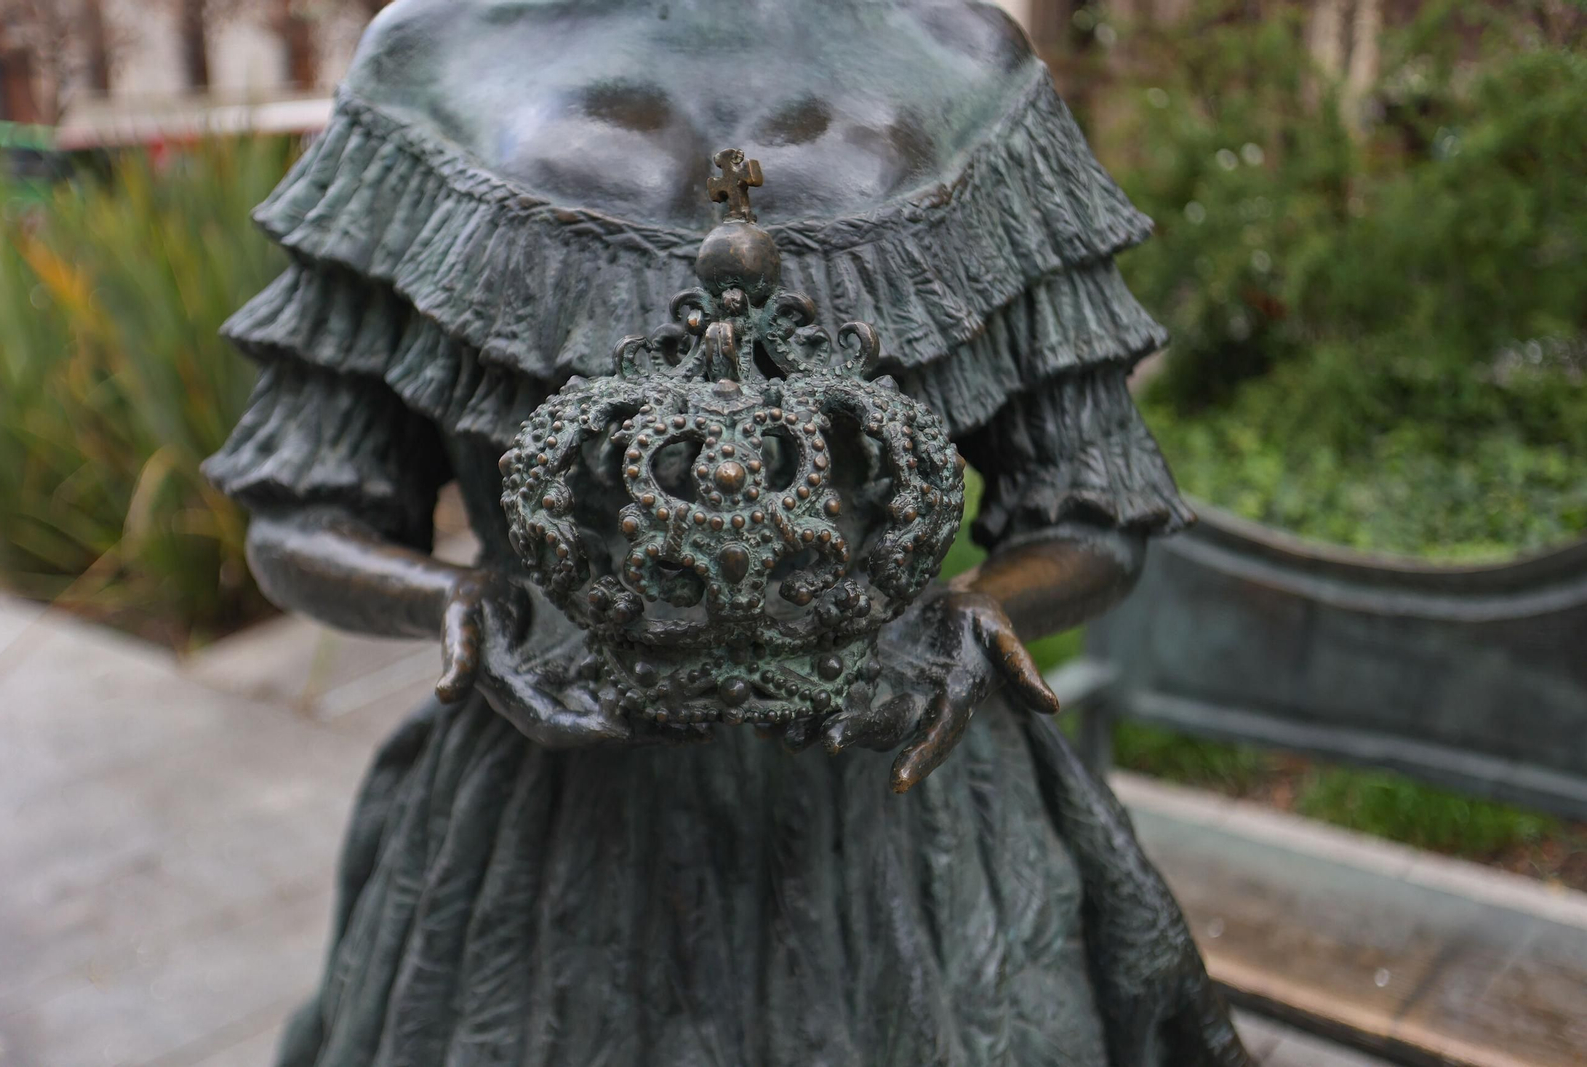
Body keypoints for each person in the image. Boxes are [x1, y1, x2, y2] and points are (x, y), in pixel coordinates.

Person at [205, 1, 1249, 1063]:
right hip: (548, 846)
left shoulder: (969, 66)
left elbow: (1089, 506)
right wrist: (452, 603)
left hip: (900, 830)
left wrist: (986, 609)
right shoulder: (427, 61)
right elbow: (304, 511)